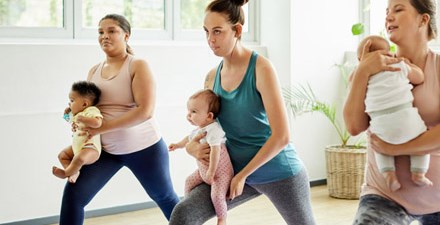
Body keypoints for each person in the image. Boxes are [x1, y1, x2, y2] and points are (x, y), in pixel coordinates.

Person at [169, 0, 316, 224]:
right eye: (207, 32)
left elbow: (282, 136)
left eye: (217, 31)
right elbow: (209, 128)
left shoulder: (261, 68)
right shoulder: (212, 77)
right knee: (184, 213)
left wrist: (243, 175)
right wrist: (192, 147)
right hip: (231, 173)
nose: (210, 39)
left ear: (237, 30)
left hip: (279, 172)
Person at [58, 14, 180, 225]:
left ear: (126, 35)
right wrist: (73, 112)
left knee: (165, 197)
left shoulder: (137, 65)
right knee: (74, 197)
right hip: (106, 151)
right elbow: (88, 108)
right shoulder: (93, 71)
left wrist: (102, 127)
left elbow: (145, 111)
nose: (105, 36)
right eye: (101, 32)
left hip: (145, 149)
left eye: (111, 31)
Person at [344, 0, 440, 224]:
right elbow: (354, 126)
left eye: (398, 10)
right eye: (387, 12)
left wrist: (395, 148)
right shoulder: (368, 71)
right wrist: (363, 71)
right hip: (384, 194)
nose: (388, 17)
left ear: (423, 19)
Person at [357, 35, 431, 192]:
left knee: (379, 147)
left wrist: (361, 69)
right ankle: (419, 173)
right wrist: (409, 65)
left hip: (380, 122)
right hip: (405, 118)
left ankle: (389, 175)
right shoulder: (397, 65)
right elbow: (419, 77)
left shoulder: (361, 75)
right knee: (422, 141)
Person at [169, 89, 233, 225]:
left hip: (219, 173)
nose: (189, 115)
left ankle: (222, 218)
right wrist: (178, 145)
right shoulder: (199, 130)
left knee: (216, 196)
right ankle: (188, 203)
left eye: (194, 112)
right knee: (188, 181)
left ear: (209, 116)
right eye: (188, 111)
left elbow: (216, 152)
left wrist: (211, 171)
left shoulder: (214, 130)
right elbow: (188, 139)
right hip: (203, 171)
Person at [52, 81, 103, 183]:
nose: (69, 103)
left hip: (90, 148)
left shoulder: (91, 110)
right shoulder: (77, 114)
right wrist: (66, 114)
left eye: (72, 100)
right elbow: (69, 119)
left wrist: (83, 119)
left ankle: (66, 173)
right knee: (62, 155)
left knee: (79, 158)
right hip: (78, 147)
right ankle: (73, 172)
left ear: (84, 104)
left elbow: (98, 123)